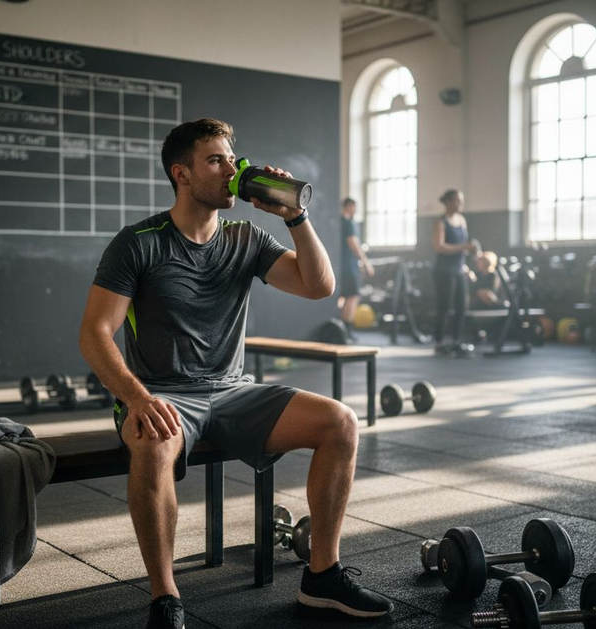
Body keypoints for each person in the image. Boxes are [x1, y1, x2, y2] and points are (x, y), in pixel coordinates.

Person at [79, 119, 393, 629]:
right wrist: (137, 398)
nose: (232, 170)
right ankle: (165, 598)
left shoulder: (246, 236)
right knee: (153, 444)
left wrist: (296, 217)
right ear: (181, 174)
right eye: (216, 160)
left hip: (232, 392)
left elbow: (319, 286)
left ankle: (322, 576)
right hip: (164, 395)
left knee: (340, 422)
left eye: (231, 157)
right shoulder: (138, 243)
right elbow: (95, 333)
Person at [433, 189, 479, 355]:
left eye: (462, 200)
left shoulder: (462, 220)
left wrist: (467, 258)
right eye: (458, 201)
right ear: (449, 202)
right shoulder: (441, 222)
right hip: (443, 271)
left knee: (461, 306)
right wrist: (463, 247)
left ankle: (456, 340)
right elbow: (439, 246)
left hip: (459, 269)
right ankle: (439, 342)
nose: (461, 204)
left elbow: (464, 246)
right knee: (444, 307)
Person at [338, 197, 375, 339]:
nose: (356, 210)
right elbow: (354, 244)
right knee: (352, 296)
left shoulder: (341, 222)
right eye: (355, 207)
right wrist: (366, 263)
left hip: (345, 265)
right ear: (349, 206)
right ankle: (345, 330)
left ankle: (344, 330)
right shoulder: (348, 223)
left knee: (348, 297)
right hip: (349, 266)